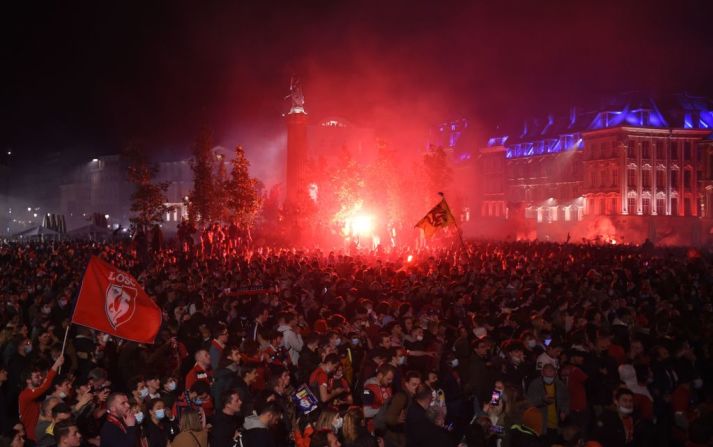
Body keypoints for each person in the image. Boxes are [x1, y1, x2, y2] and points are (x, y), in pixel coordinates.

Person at [19, 355, 64, 442]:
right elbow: (44, 387)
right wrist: (56, 365)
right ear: (28, 380)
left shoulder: (34, 394)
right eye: (37, 377)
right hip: (31, 437)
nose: (40, 378)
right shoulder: (25, 395)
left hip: (35, 434)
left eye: (40, 376)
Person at [526, 363, 569, 443]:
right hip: (541, 425)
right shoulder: (535, 385)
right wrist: (542, 400)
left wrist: (564, 411)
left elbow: (565, 400)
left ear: (555, 373)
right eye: (547, 376)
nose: (549, 378)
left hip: (556, 425)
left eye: (551, 376)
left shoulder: (560, 385)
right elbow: (529, 402)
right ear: (542, 373)